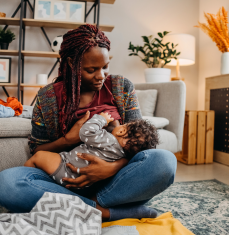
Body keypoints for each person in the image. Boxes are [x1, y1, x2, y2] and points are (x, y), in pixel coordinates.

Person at [0, 24, 177, 221]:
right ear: (70, 63)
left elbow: (139, 144)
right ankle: (102, 212)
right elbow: (37, 149)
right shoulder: (49, 96)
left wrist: (112, 167)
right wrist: (68, 140)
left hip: (113, 183)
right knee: (8, 183)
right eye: (91, 69)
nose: (101, 76)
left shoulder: (121, 87)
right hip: (63, 180)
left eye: (105, 67)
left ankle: (79, 209)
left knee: (164, 161)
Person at [24, 112, 159, 190]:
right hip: (82, 184)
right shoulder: (120, 155)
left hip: (66, 168)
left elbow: (86, 132)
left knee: (39, 157)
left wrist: (102, 119)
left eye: (123, 125)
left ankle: (24, 176)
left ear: (123, 130)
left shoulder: (109, 140)